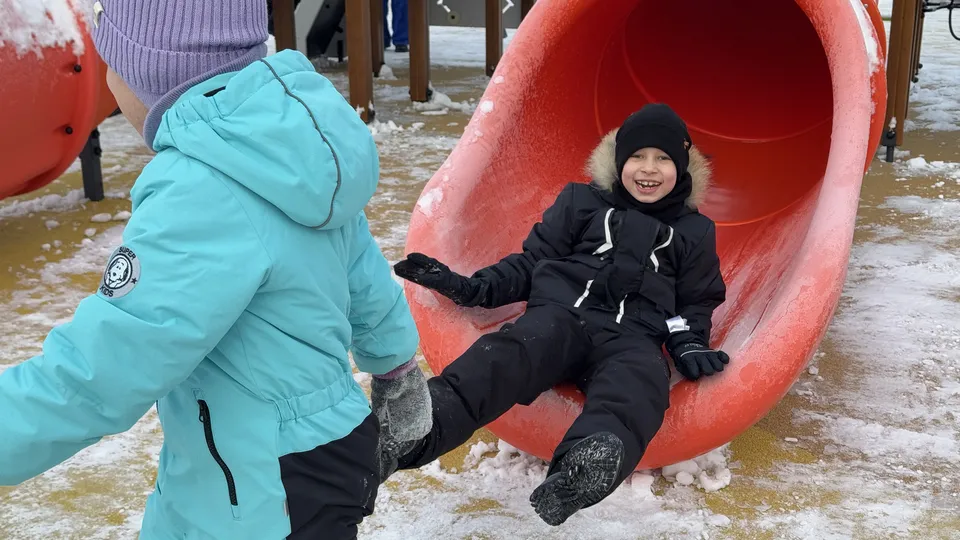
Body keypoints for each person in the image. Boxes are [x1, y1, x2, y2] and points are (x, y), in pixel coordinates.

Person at [0, 1, 430, 539]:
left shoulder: (199, 187)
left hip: (256, 483)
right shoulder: (287, 148)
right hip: (311, 447)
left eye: (114, 67)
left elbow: (106, 368)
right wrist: (395, 367)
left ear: (152, 72)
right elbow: (361, 269)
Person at [385, 103, 730, 526]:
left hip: (632, 338)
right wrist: (471, 288)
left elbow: (696, 300)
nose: (649, 169)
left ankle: (582, 470)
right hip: (561, 318)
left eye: (663, 159)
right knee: (507, 354)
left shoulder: (694, 232)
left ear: (682, 167)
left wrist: (688, 339)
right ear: (619, 161)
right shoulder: (580, 202)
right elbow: (532, 262)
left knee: (639, 385)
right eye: (638, 156)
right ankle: (417, 430)